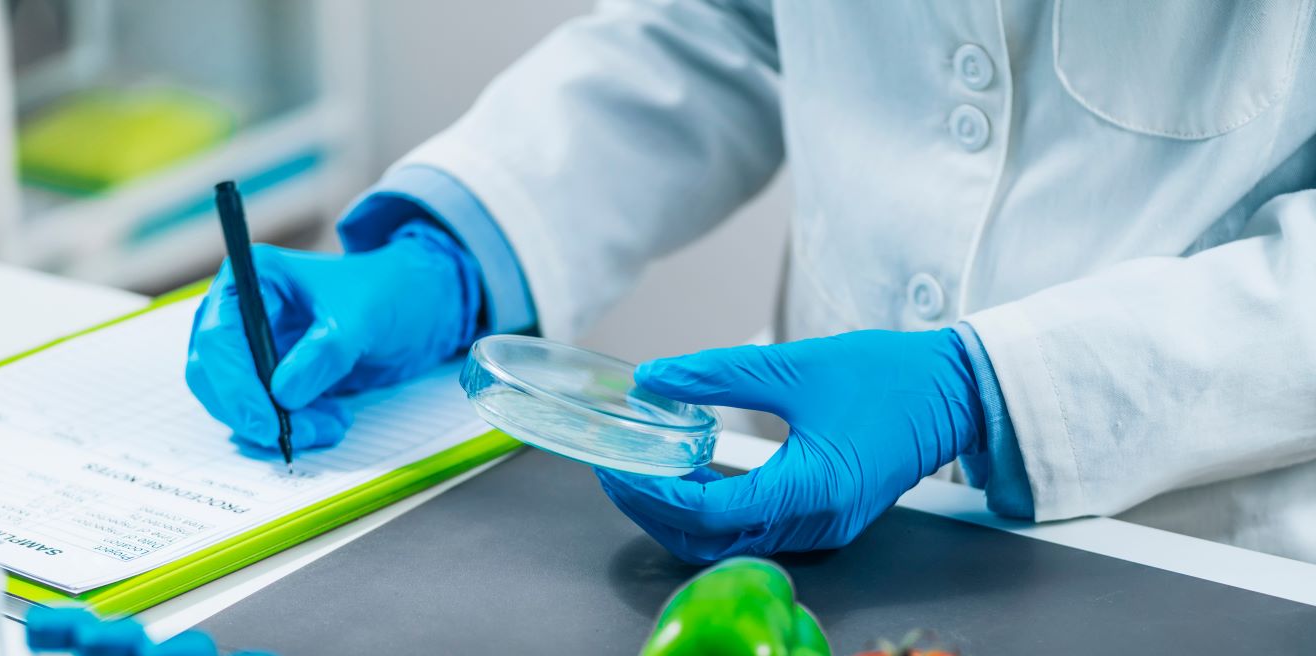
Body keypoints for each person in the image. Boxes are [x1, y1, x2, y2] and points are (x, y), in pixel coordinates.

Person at [186, 2, 1316, 565]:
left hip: (1206, 546)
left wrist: (990, 387)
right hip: (815, 541)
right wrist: (455, 249)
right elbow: (727, 26)